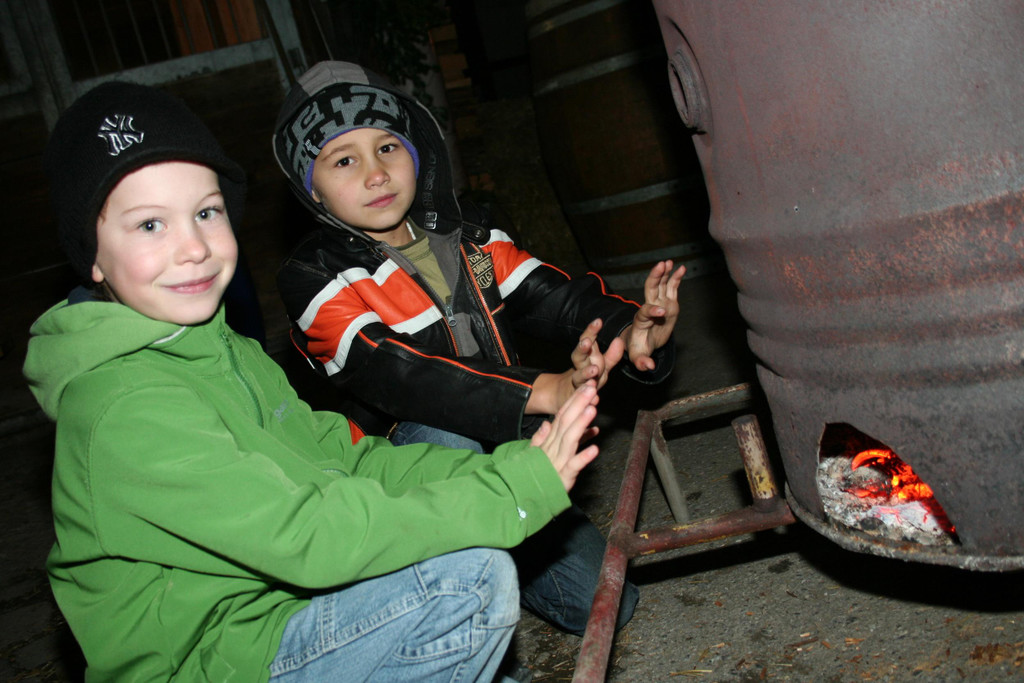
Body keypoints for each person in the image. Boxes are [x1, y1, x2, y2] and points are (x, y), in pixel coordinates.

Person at [24, 80, 603, 682]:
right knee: (466, 581)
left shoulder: (224, 351)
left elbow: (343, 460)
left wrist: (510, 469)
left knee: (458, 560)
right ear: (92, 256)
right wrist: (510, 492)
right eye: (149, 225)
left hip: (275, 621)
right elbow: (306, 534)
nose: (192, 247)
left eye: (206, 212)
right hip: (213, 663)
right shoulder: (125, 408)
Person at [272, 61, 687, 635]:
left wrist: (630, 332)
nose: (376, 174)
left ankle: (495, 547)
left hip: (503, 444)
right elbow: (400, 376)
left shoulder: (468, 234)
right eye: (344, 160)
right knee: (445, 437)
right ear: (311, 185)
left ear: (416, 154)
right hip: (397, 473)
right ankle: (433, 597)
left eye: (388, 147)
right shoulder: (314, 277)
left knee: (606, 603)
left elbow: (556, 298)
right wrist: (544, 390)